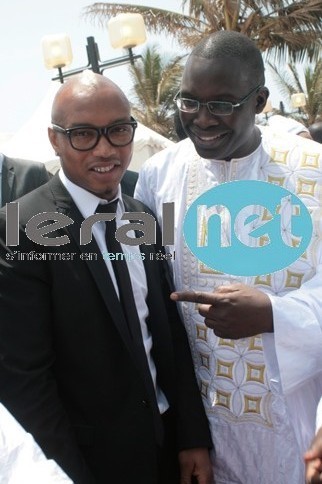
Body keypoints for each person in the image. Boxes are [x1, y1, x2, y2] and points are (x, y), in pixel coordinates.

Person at [0, 71, 213, 484]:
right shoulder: (19, 228)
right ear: (54, 139)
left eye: (118, 131)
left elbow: (168, 332)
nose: (106, 149)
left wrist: (192, 437)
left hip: (167, 445)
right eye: (83, 134)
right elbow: (26, 381)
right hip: (91, 461)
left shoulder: (143, 215)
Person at [134, 30, 322, 483]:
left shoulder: (313, 167)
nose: (201, 119)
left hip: (302, 417)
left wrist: (274, 314)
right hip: (206, 427)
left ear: (259, 101)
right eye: (188, 102)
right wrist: (185, 433)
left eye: (221, 104)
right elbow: (153, 298)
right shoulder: (161, 174)